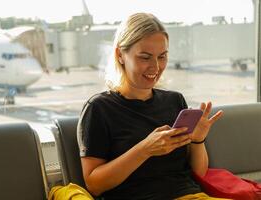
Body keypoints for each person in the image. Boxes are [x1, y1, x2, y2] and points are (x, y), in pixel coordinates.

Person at [77, 12, 227, 200]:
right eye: (145, 57)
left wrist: (198, 140)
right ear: (120, 55)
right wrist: (144, 149)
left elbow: (199, 174)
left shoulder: (175, 101)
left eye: (162, 56)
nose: (155, 67)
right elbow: (94, 185)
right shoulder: (99, 108)